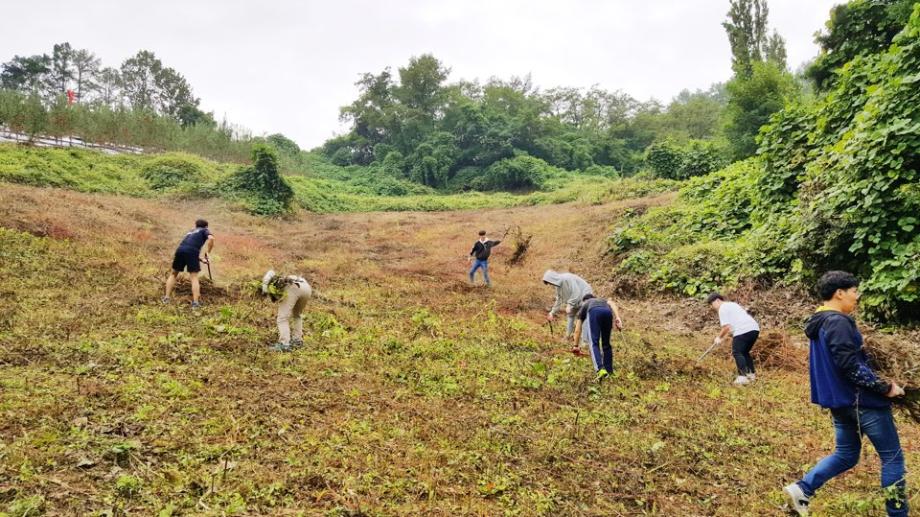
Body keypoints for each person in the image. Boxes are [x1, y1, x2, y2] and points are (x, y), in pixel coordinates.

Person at [783, 271, 907, 517]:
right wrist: (886, 387)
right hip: (863, 402)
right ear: (839, 293)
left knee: (846, 454)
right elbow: (849, 365)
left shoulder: (819, 321)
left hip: (840, 403)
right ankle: (898, 513)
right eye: (854, 291)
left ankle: (803, 488)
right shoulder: (838, 321)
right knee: (892, 459)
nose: (857, 297)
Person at [706, 292, 760, 385]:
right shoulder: (732, 305)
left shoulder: (722, 308)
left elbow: (726, 327)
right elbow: (730, 327)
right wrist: (723, 338)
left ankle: (742, 377)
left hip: (743, 329)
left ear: (717, 300)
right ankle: (751, 375)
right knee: (744, 352)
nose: (712, 307)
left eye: (712, 304)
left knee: (737, 352)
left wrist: (719, 337)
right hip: (754, 329)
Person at [163, 219, 215, 308]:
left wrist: (201, 259)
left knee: (173, 274)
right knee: (194, 277)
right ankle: (195, 303)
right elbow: (211, 238)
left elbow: (187, 248)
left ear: (196, 225)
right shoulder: (204, 230)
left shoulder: (191, 232)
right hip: (191, 252)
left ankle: (166, 298)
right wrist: (208, 252)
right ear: (206, 226)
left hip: (180, 250)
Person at [572, 294, 623, 381]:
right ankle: (609, 372)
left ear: (584, 301)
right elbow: (612, 303)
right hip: (607, 312)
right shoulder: (603, 300)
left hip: (594, 312)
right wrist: (617, 317)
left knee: (593, 343)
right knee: (606, 344)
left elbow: (577, 330)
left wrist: (576, 346)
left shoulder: (585, 305)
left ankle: (600, 369)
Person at [262, 270, 313, 352]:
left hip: (293, 288)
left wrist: (265, 292)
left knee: (282, 318)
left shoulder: (276, 284)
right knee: (297, 315)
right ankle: (297, 340)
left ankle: (284, 344)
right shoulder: (284, 278)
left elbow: (270, 293)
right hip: (306, 288)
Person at [542, 270, 593, 352]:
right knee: (570, 315)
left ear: (553, 278)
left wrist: (570, 304)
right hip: (575, 300)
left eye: (550, 282)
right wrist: (552, 312)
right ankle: (568, 336)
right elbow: (559, 300)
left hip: (585, 295)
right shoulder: (558, 287)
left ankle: (585, 342)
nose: (551, 284)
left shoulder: (567, 278)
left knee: (583, 318)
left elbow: (576, 292)